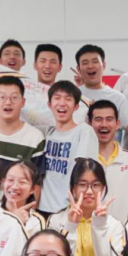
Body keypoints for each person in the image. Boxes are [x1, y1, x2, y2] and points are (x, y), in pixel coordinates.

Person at [46, 159, 125, 256]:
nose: (89, 191)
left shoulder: (113, 226)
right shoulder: (55, 221)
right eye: (82, 184)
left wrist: (100, 227)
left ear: (103, 188)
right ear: (72, 188)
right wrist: (70, 226)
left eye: (95, 185)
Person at [39, 81, 99, 216]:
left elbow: (85, 172)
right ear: (49, 104)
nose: (62, 103)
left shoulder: (84, 131)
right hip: (41, 207)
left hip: (68, 209)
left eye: (68, 99)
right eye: (57, 98)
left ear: (76, 106)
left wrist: (77, 203)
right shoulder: (46, 133)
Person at [73, 44, 128, 143]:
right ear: (78, 68)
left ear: (103, 65)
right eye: (85, 63)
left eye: (95, 61)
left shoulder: (117, 97)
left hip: (110, 152)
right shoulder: (72, 96)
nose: (90, 66)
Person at [90, 100, 128, 224]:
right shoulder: (82, 161)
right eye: (98, 119)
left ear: (117, 124)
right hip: (91, 232)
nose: (104, 124)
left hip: (126, 232)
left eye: (109, 119)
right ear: (90, 124)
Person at [0, 76, 46, 164]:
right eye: (2, 97)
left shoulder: (35, 138)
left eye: (14, 97)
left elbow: (37, 172)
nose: (8, 102)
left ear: (23, 102)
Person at [1, 159, 47, 236]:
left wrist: (19, 224)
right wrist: (14, 220)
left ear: (33, 189)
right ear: (3, 182)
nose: (15, 186)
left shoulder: (36, 222)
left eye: (22, 182)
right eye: (10, 180)